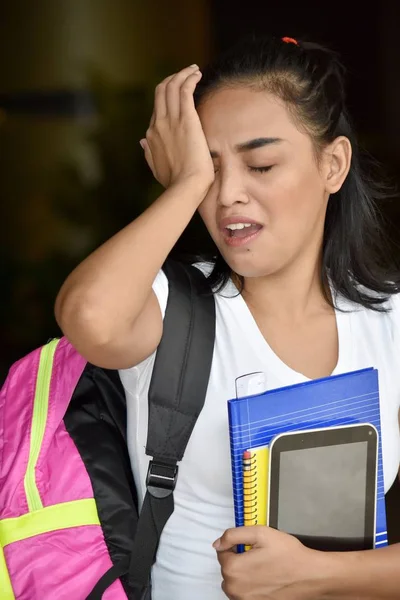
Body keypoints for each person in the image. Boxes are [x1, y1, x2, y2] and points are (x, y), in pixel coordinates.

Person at [55, 34, 400, 600]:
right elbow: (89, 316)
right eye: (211, 169)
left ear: (333, 164)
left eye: (261, 164)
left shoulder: (388, 321)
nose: (228, 195)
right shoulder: (173, 309)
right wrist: (185, 184)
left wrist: (319, 575)